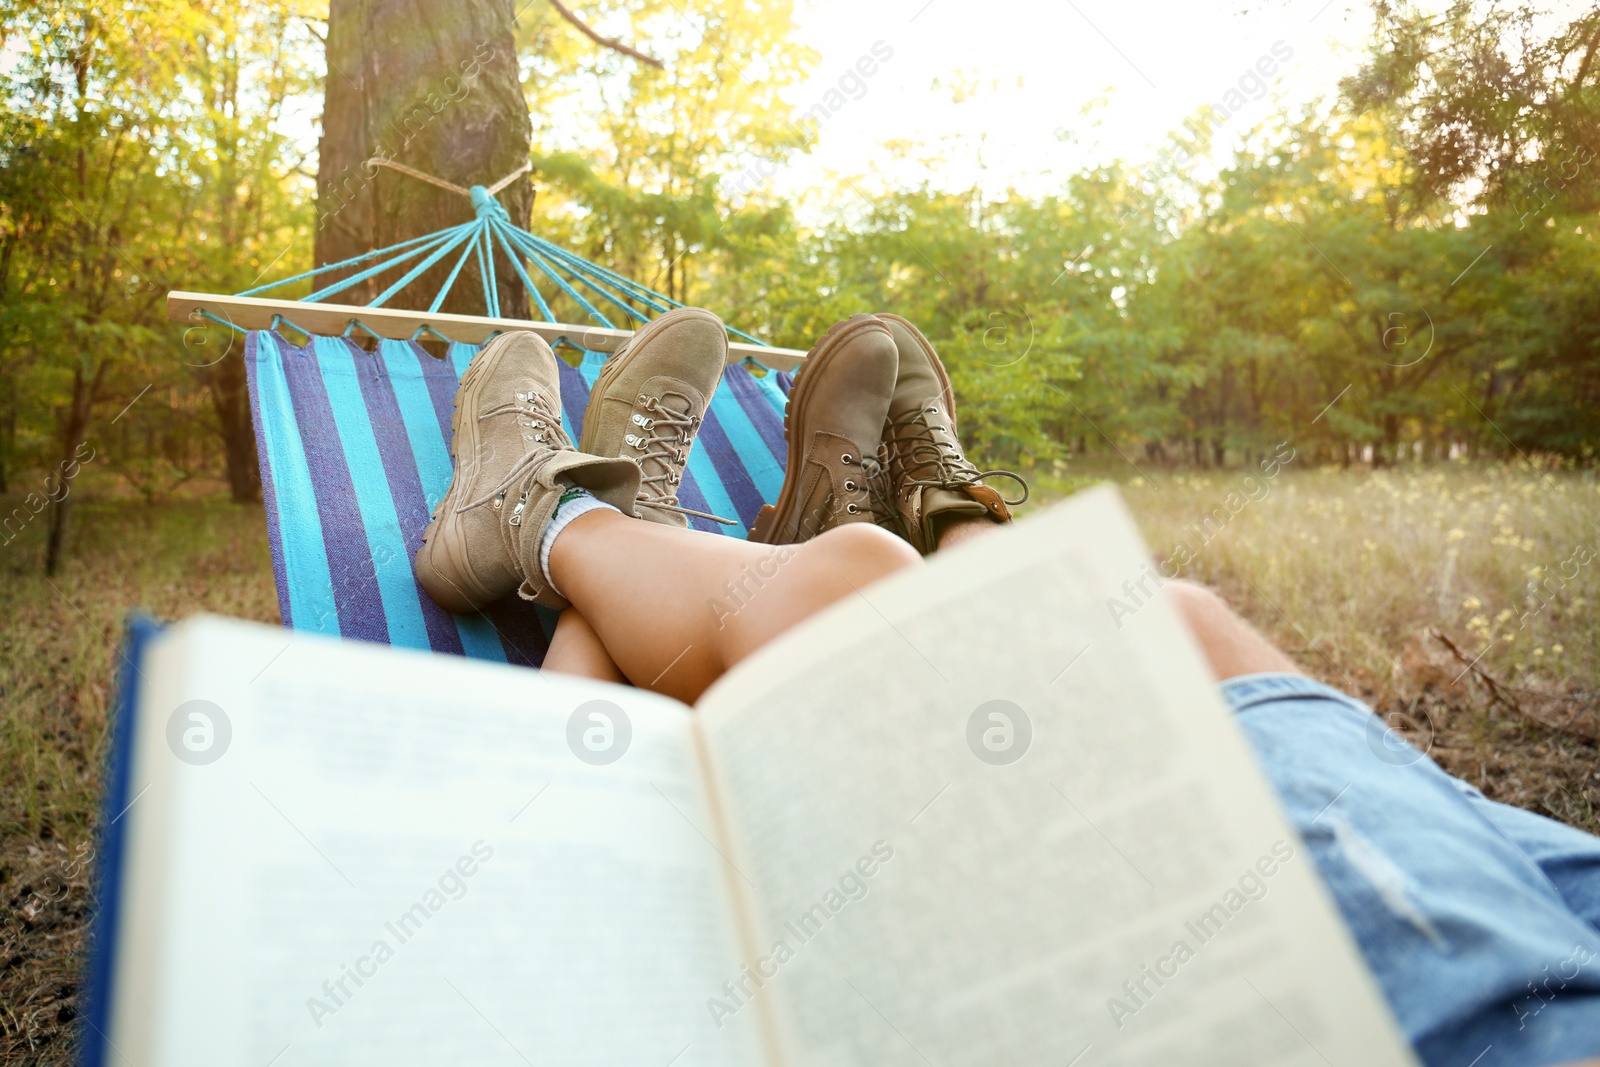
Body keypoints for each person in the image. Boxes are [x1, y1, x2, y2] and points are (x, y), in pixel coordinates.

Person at [414, 307, 1600, 1067]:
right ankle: (927, 532)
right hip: (1550, 946)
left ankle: (551, 519)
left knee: (863, 599)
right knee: (1175, 622)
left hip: (1448, 1008)